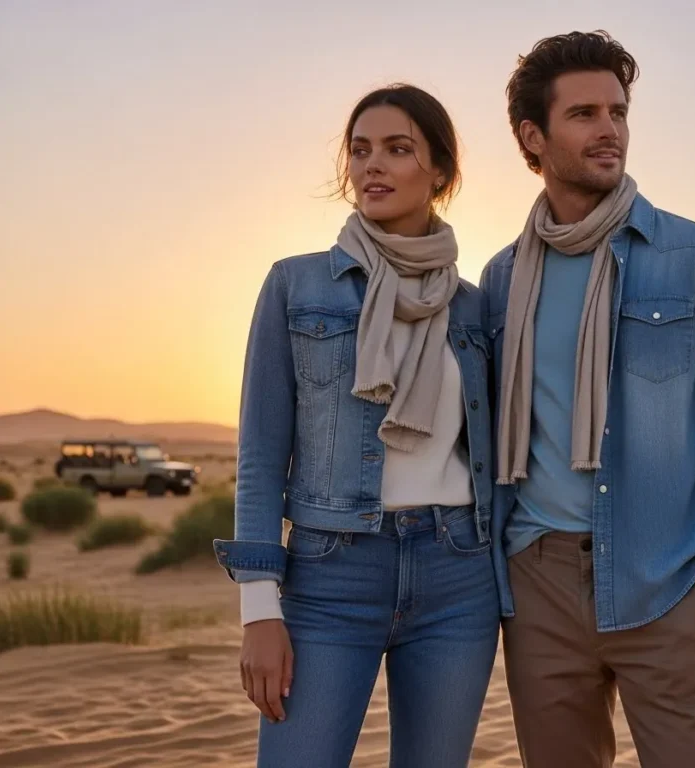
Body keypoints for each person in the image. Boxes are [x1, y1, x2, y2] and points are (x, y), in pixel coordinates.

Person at [480, 31, 695, 768]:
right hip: (539, 585)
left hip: (667, 581)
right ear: (534, 135)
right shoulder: (501, 282)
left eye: (618, 110)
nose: (609, 128)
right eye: (583, 113)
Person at [213, 83, 499, 768]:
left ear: (440, 172)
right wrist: (258, 609)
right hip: (329, 576)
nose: (372, 166)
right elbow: (260, 452)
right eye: (360, 150)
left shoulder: (475, 307)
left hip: (458, 574)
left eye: (398, 149)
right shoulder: (297, 285)